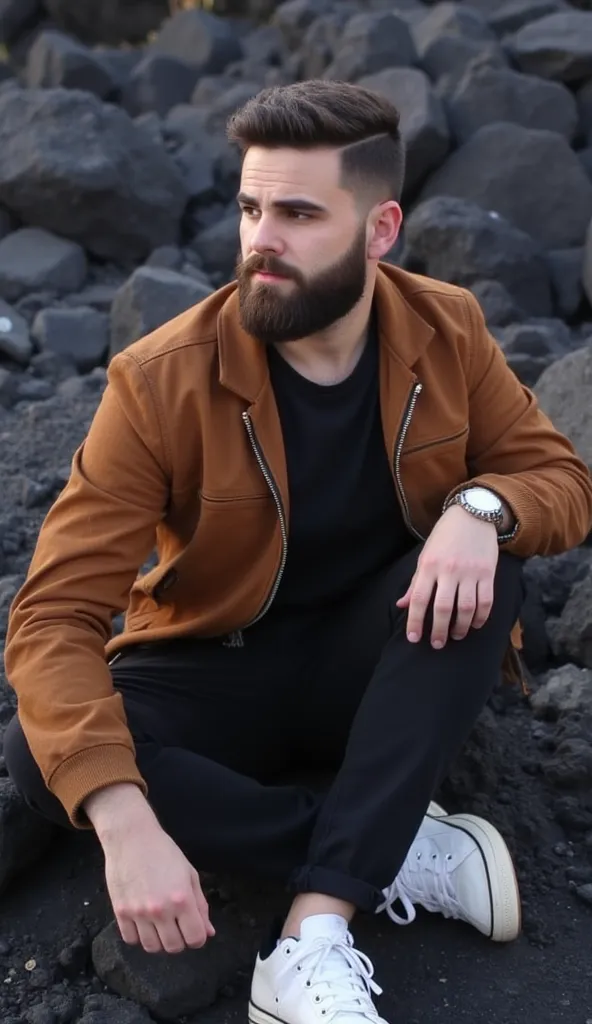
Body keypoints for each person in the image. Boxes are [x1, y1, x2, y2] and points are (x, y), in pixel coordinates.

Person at [3, 79, 592, 1024]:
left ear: (380, 228)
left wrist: (481, 507)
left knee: (494, 567)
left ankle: (314, 932)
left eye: (298, 213)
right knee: (49, 762)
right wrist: (122, 819)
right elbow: (53, 616)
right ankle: (392, 846)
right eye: (249, 207)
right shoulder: (161, 380)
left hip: (379, 668)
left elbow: (558, 480)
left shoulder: (447, 327)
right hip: (216, 664)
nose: (259, 240)